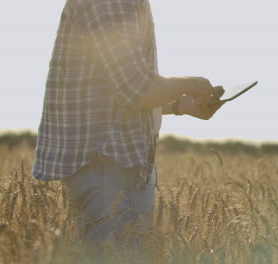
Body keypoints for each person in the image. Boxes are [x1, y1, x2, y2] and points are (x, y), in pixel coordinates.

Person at [32, 0, 224, 244]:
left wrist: (178, 105)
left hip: (106, 166)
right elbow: (134, 89)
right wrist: (187, 84)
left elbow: (109, 96)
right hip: (109, 167)